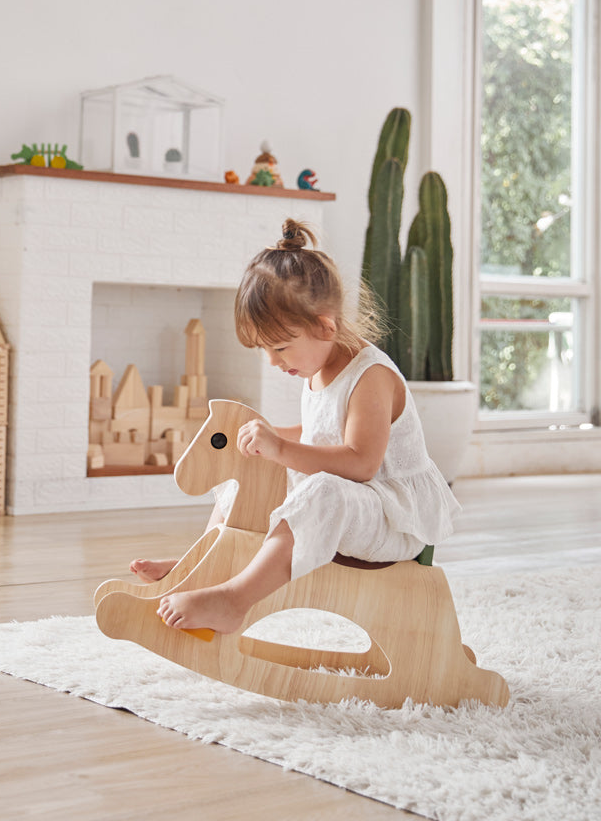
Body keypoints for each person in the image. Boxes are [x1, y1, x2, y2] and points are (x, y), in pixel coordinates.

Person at [130, 218, 461, 635]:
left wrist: (282, 450)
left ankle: (234, 600)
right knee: (245, 473)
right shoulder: (318, 365)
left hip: (393, 520)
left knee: (321, 490)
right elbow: (317, 435)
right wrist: (261, 435)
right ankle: (206, 560)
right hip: (353, 502)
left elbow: (360, 463)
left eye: (281, 347)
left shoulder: (371, 376)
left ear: (326, 325)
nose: (273, 361)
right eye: (265, 350)